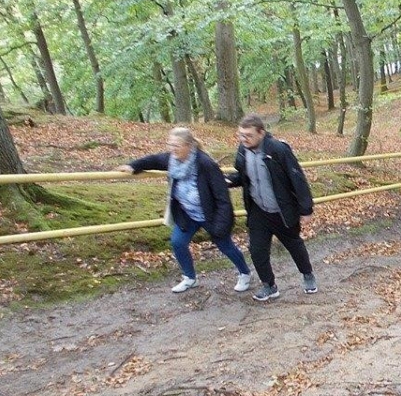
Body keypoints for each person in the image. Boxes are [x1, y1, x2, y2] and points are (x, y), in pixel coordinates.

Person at [116, 128, 251, 294]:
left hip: (211, 214)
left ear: (189, 146)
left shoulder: (205, 164)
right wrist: (132, 166)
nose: (172, 149)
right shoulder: (172, 160)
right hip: (188, 213)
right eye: (170, 145)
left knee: (225, 246)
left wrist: (222, 224)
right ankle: (189, 278)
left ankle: (244, 273)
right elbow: (154, 160)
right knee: (178, 242)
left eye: (177, 145)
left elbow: (222, 196)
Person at [227, 114, 318, 302]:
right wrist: (229, 180)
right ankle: (269, 286)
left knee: (294, 245)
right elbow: (243, 176)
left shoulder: (277, 150)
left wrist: (306, 209)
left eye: (248, 135)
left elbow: (297, 178)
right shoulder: (243, 151)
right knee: (257, 250)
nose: (244, 139)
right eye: (241, 135)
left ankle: (307, 274)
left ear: (261, 133)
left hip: (282, 210)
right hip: (258, 211)